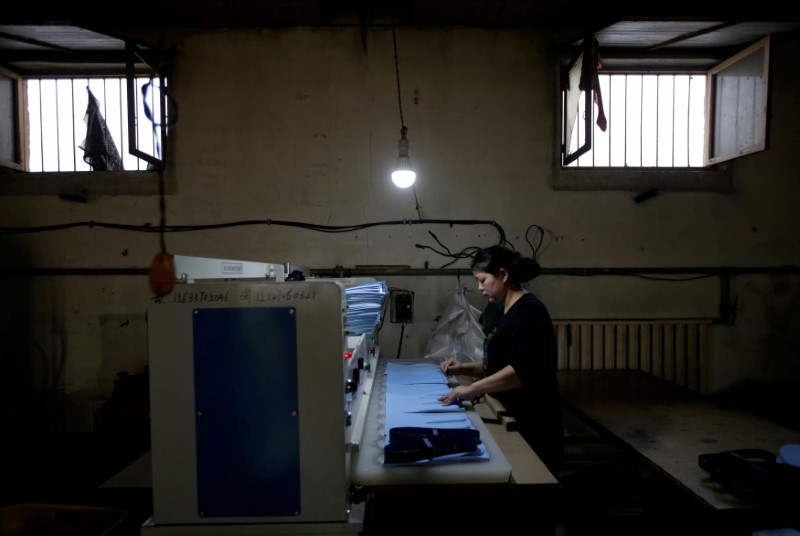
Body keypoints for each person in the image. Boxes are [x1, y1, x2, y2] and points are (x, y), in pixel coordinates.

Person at [438, 245, 564, 476]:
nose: (480, 288)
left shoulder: (528, 311)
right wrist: (462, 368)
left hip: (534, 421)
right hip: (513, 414)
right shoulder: (506, 311)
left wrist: (472, 389)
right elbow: (498, 362)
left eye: (482, 279)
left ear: (503, 275)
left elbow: (523, 370)